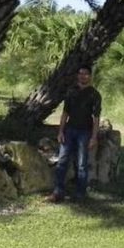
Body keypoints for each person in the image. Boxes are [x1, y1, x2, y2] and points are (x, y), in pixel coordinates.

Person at [48, 64, 101, 202]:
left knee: (82, 164)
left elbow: (96, 118)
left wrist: (94, 137)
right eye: (80, 73)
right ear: (78, 75)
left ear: (90, 76)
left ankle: (80, 194)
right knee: (62, 161)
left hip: (85, 132)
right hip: (69, 130)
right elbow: (65, 113)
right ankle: (58, 192)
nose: (83, 76)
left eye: (86, 74)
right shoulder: (71, 92)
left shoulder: (94, 95)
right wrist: (61, 131)